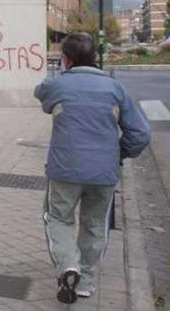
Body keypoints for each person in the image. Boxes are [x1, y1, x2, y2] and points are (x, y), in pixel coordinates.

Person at [34, 33, 150, 304]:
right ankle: (84, 281)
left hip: (65, 170)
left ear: (67, 59)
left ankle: (68, 266)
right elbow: (141, 134)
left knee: (59, 218)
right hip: (104, 173)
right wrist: (118, 154)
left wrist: (61, 75)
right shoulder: (115, 88)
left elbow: (40, 92)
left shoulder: (58, 84)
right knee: (95, 223)